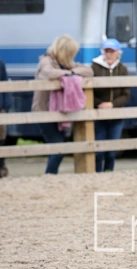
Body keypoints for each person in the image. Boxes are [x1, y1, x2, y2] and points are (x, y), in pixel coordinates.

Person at [32, 35, 93, 174]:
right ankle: (49, 176)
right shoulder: (46, 61)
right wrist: (68, 74)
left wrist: (71, 72)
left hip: (60, 111)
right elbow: (49, 73)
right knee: (58, 149)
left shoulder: (65, 63)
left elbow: (89, 71)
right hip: (44, 112)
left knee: (57, 148)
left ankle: (50, 175)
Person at [92, 38, 130, 172]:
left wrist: (112, 104)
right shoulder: (94, 68)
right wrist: (100, 104)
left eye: (112, 51)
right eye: (106, 51)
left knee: (111, 151)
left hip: (116, 115)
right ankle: (97, 173)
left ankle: (109, 173)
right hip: (99, 114)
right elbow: (89, 93)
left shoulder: (122, 69)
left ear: (118, 53)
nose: (109, 54)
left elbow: (126, 94)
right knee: (98, 151)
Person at [0, 57, 10, 178]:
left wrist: (6, 107)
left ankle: (1, 166)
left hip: (0, 108)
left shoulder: (0, 63)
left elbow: (5, 82)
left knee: (1, 139)